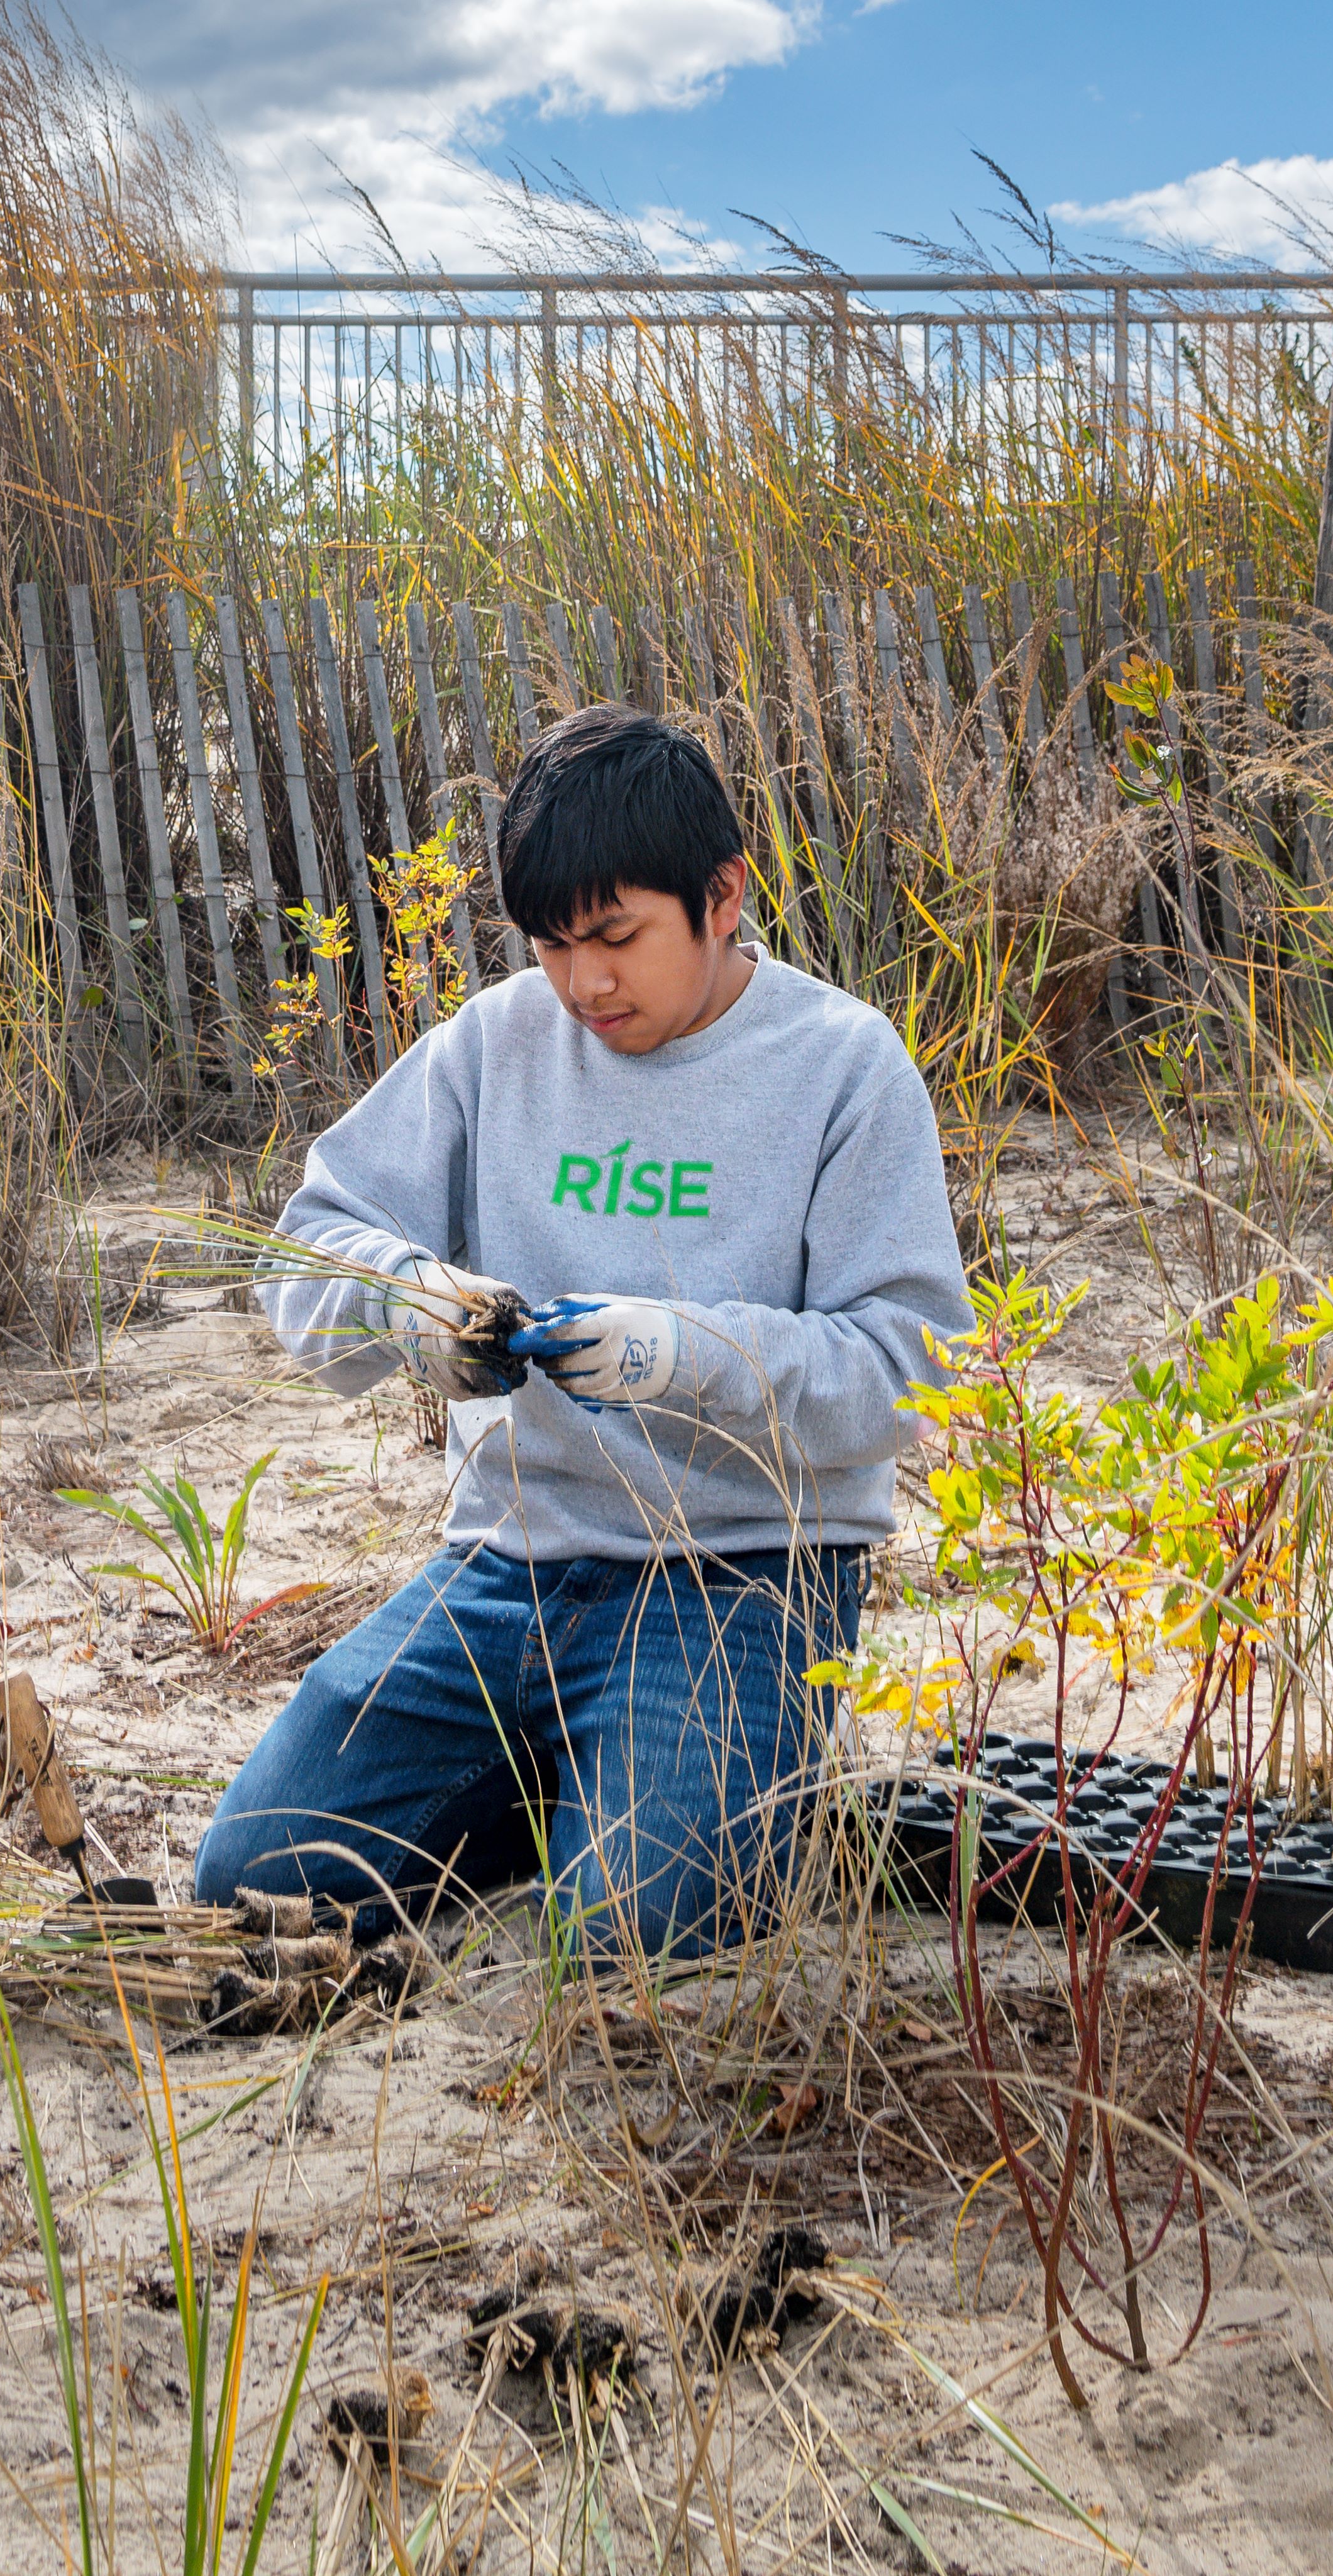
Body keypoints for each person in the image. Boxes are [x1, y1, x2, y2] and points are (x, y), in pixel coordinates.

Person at [191, 704, 972, 1959]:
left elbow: (911, 1365)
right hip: (509, 1565)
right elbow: (307, 1248)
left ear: (722, 897)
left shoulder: (841, 1063)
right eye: (552, 943)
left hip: (742, 1580)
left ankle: (654, 1798)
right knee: (252, 1876)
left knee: (628, 1938)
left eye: (617, 937)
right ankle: (592, 1784)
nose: (583, 983)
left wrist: (685, 1359)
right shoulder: (498, 1043)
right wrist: (414, 1309)